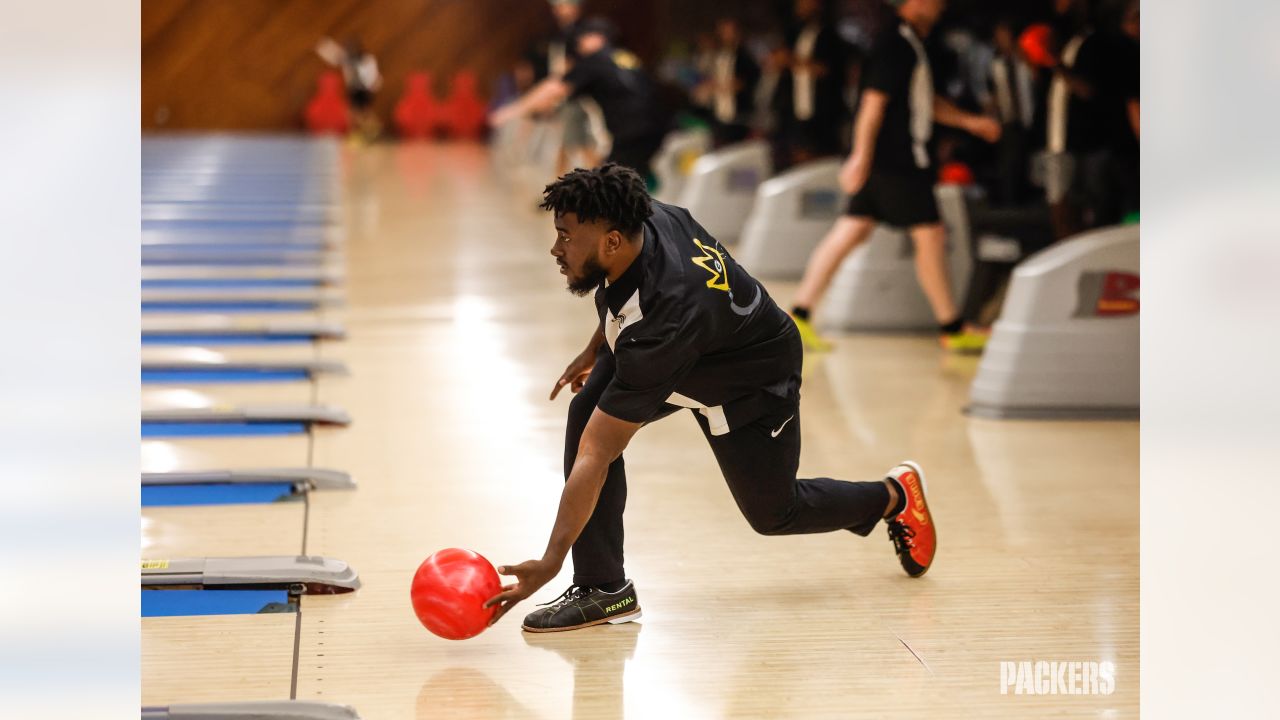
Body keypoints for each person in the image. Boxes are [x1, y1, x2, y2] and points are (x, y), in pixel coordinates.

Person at [482, 164, 938, 632]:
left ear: (612, 241)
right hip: (696, 350)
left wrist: (549, 561)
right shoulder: (644, 216)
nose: (556, 249)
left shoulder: (665, 322)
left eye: (565, 237)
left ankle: (893, 497)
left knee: (775, 513)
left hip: (752, 380)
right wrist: (595, 347)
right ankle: (604, 588)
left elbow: (599, 453)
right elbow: (624, 294)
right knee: (585, 413)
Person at [786, 0, 1001, 353]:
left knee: (850, 231)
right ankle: (952, 326)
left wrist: (971, 123)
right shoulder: (896, 44)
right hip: (898, 162)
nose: (940, 6)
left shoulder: (909, 43)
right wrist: (859, 157)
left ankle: (798, 314)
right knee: (930, 236)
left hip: (886, 162)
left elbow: (922, 102)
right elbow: (873, 104)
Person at [491, 18, 669, 182]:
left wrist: (512, 110)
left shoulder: (593, 60)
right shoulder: (623, 56)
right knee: (623, 180)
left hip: (633, 132)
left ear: (597, 38)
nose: (579, 43)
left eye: (583, 37)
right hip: (657, 126)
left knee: (611, 187)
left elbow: (554, 88)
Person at [772, 0, 851, 167]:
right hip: (795, 109)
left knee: (823, 160)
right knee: (798, 157)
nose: (802, 7)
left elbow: (828, 70)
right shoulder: (793, 34)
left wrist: (793, 61)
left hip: (824, 111)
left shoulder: (830, 36)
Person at [692, 18, 761, 147]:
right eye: (723, 32)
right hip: (720, 113)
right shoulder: (719, 56)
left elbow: (749, 81)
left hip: (739, 116)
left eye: (729, 32)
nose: (726, 35)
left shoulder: (744, 56)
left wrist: (728, 85)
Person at [315, 36, 382, 142]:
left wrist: (373, 83)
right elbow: (334, 57)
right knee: (354, 114)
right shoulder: (348, 59)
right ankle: (365, 133)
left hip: (363, 89)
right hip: (354, 89)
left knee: (360, 113)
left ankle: (372, 132)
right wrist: (324, 48)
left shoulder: (365, 59)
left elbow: (371, 73)